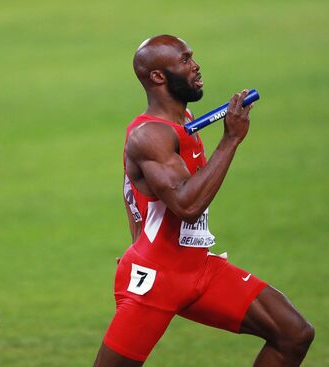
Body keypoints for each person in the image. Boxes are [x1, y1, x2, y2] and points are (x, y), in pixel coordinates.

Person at [93, 35, 314, 367]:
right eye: (184, 60)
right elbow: (186, 205)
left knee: (294, 334)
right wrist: (230, 139)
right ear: (158, 77)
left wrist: (136, 240)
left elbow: (134, 197)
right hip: (156, 280)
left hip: (198, 269)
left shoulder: (183, 121)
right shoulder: (149, 135)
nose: (196, 66)